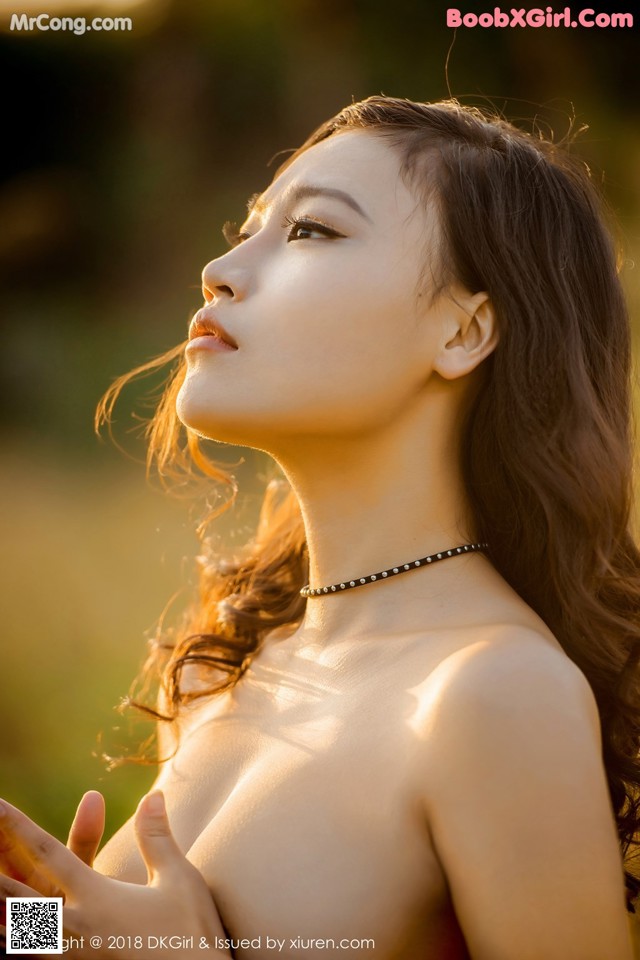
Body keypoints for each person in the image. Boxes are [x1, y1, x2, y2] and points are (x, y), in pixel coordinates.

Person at [1, 94, 639, 960]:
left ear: (464, 330)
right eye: (247, 225)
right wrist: (39, 929)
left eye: (311, 232)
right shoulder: (227, 669)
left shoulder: (495, 696)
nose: (220, 269)